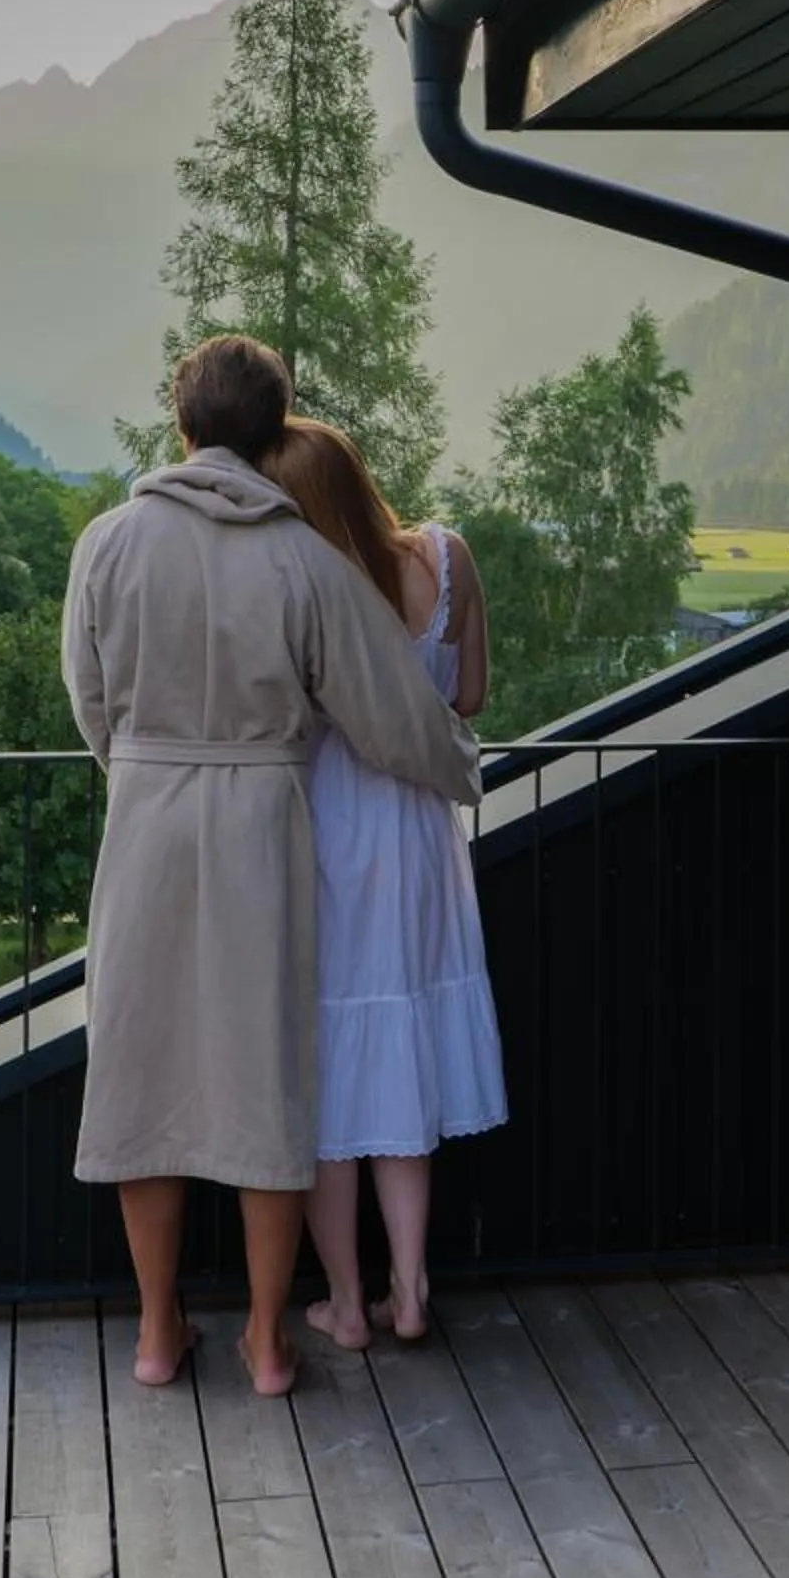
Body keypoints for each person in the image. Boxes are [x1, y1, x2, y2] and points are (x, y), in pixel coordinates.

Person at [62, 338, 481, 1396]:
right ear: (274, 426)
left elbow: (89, 697)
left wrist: (145, 769)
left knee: (142, 1076)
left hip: (146, 823)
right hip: (262, 829)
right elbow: (390, 712)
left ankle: (156, 1335)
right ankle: (263, 1342)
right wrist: (462, 767)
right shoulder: (302, 559)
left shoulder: (107, 543)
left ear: (183, 421)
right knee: (269, 1085)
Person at [255, 418, 506, 1347]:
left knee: (332, 1070)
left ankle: (346, 1303)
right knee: (401, 1054)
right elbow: (469, 698)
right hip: (422, 829)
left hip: (332, 830)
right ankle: (411, 1289)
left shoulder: (307, 585)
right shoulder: (448, 556)